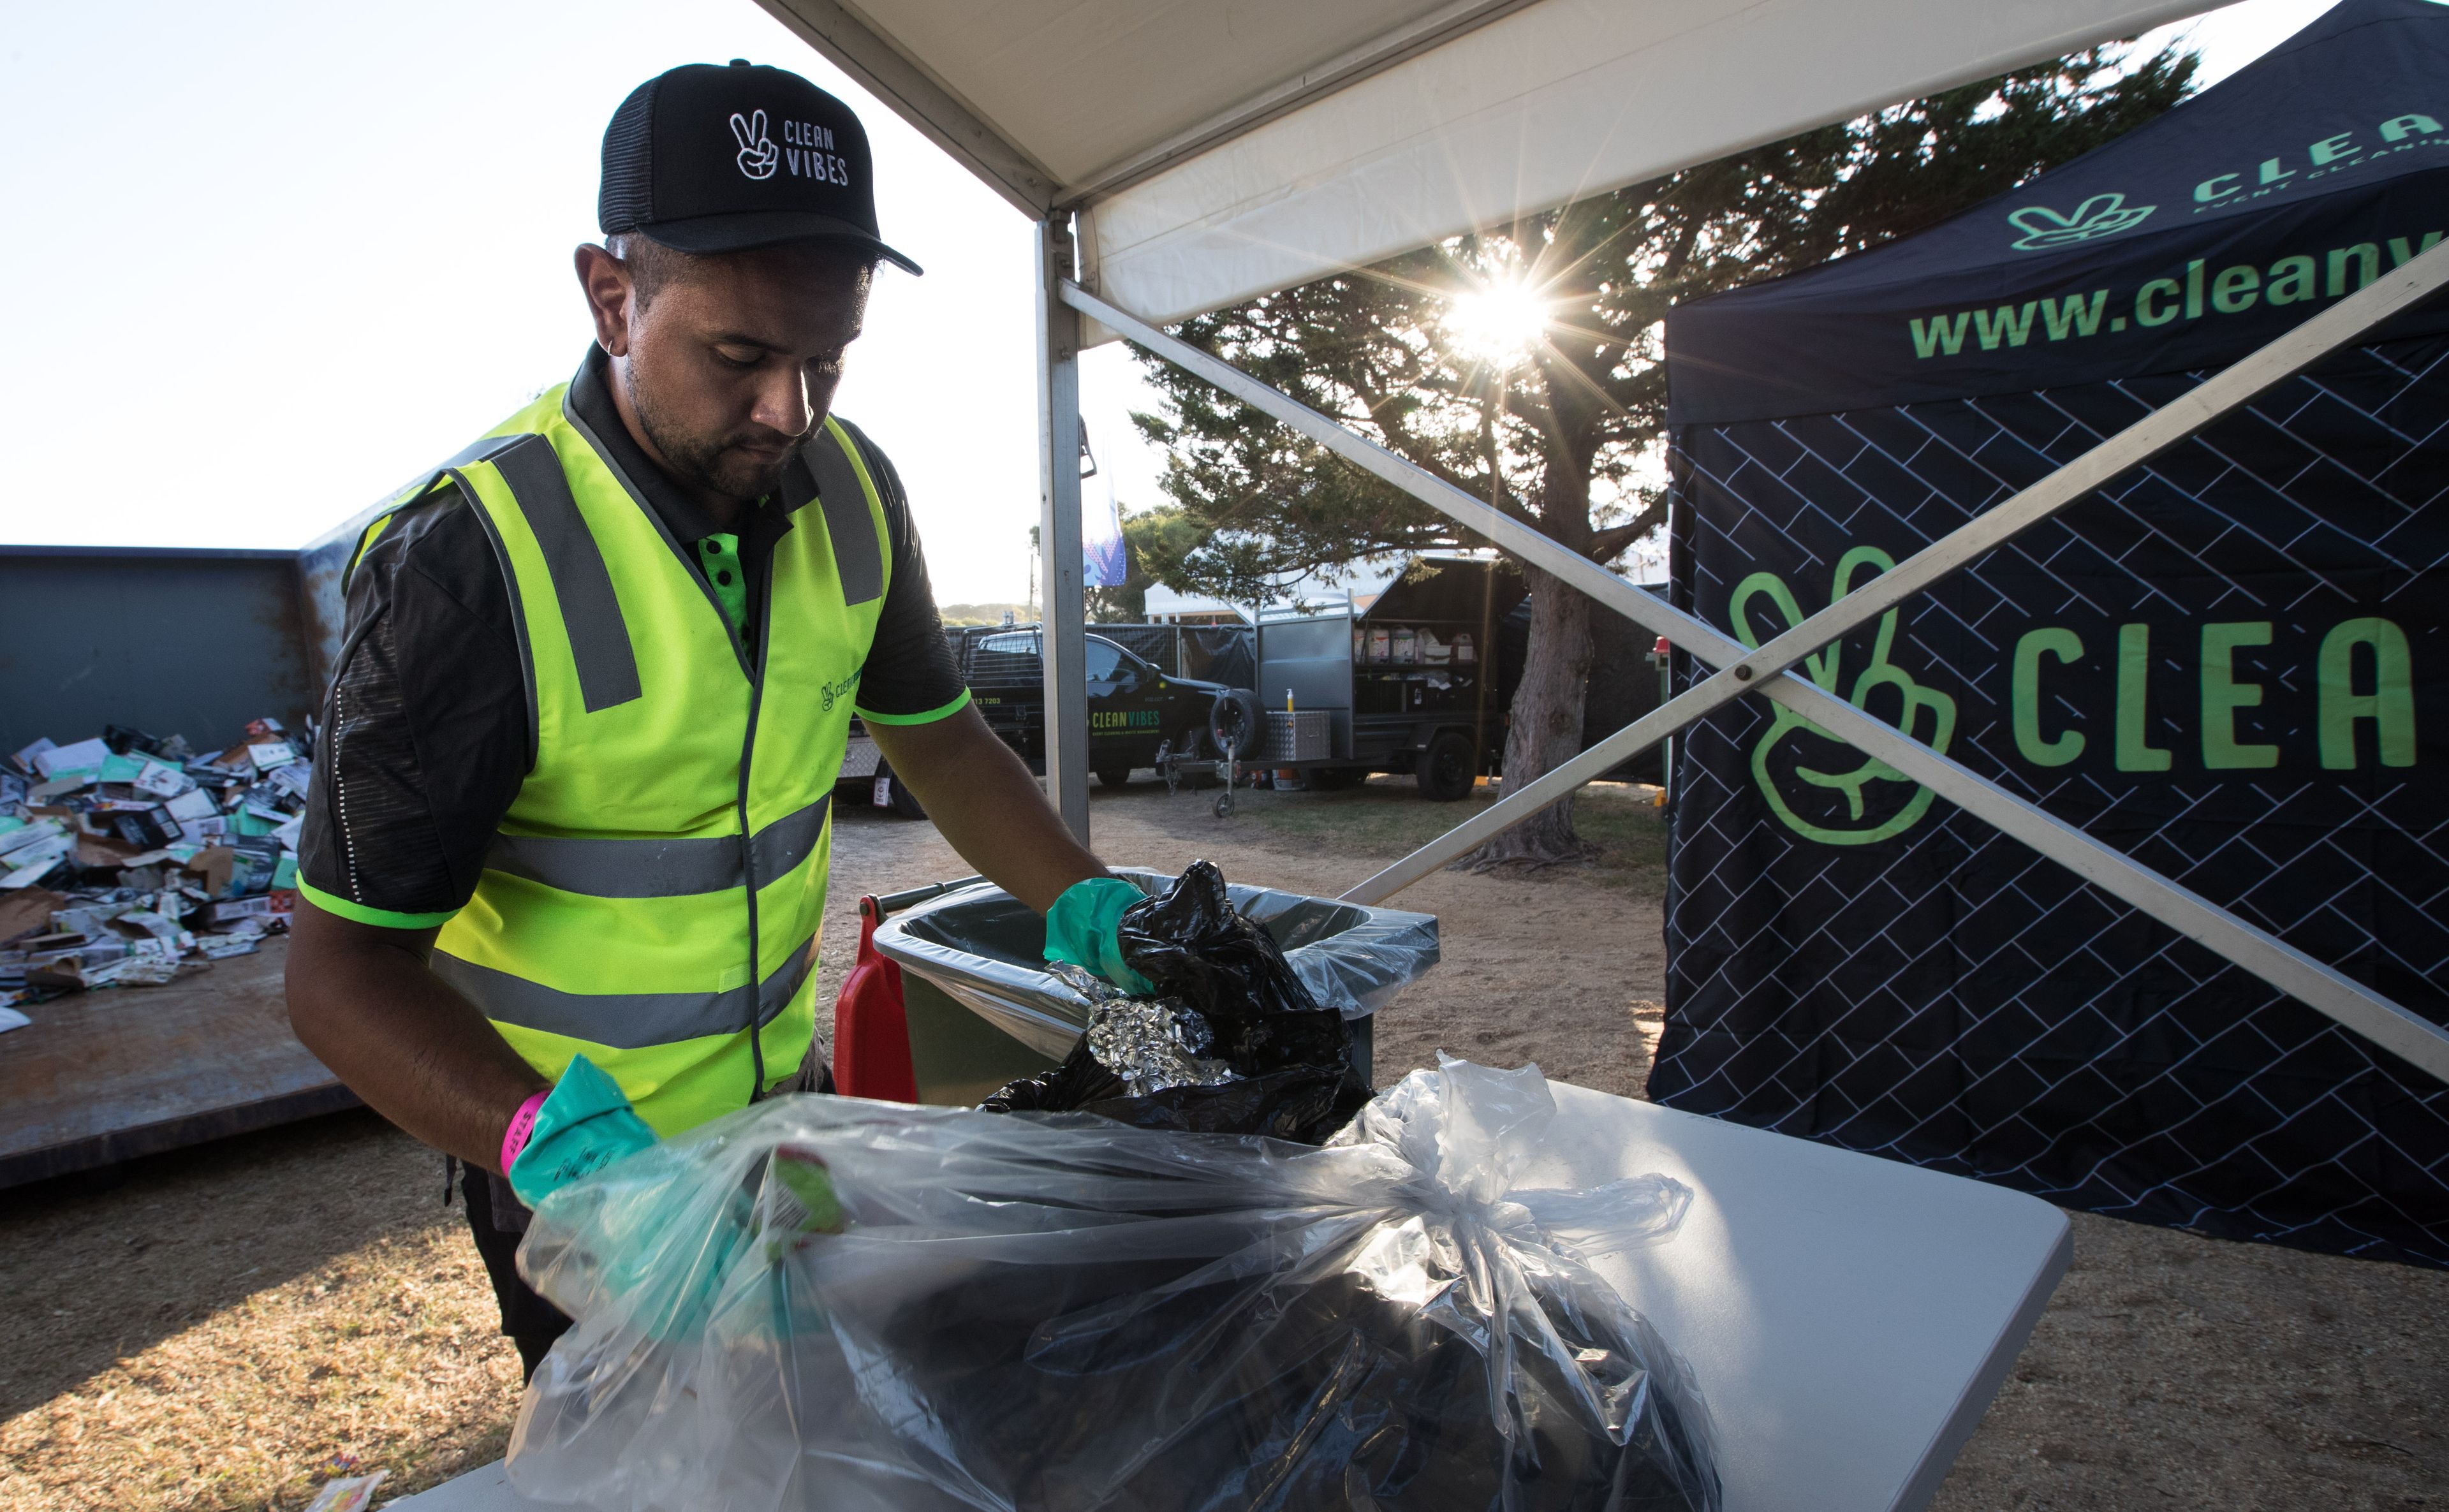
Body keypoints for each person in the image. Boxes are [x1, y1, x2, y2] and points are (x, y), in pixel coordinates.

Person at [286, 60, 1151, 1380]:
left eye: (828, 360)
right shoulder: (472, 561)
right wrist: (552, 1148)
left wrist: (1084, 906)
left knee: (811, 1419)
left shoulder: (856, 491)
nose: (788, 413)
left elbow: (938, 737)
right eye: (742, 356)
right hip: (577, 1179)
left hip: (776, 1126)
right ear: (612, 295)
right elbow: (338, 975)